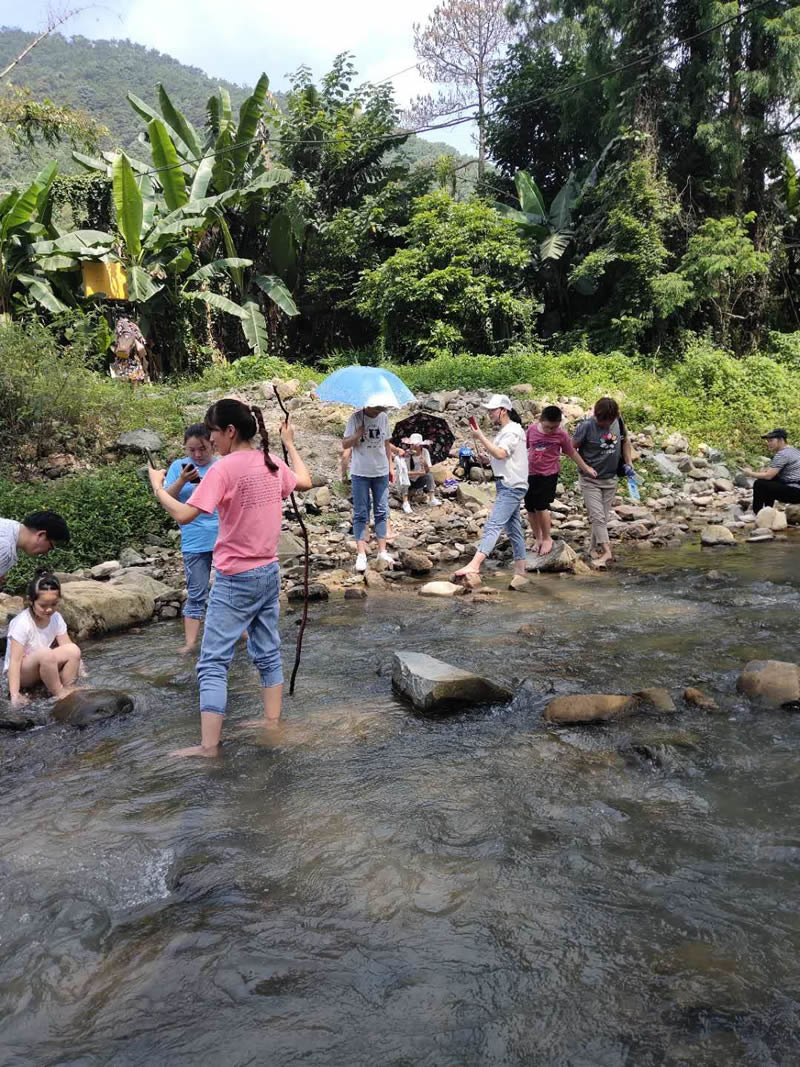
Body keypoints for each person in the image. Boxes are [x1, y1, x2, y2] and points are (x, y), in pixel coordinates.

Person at [148, 399, 312, 758]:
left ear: (231, 431)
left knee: (212, 663)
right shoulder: (271, 461)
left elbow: (184, 515)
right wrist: (290, 444)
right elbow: (305, 481)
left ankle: (209, 747)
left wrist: (158, 488)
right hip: (268, 572)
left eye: (214, 433)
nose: (211, 441)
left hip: (235, 577)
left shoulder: (223, 469)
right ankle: (272, 723)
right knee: (267, 652)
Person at [453, 394, 529, 582]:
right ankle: (521, 570)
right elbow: (501, 457)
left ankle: (475, 565)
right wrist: (488, 459)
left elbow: (501, 453)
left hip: (511, 484)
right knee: (513, 528)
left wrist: (480, 436)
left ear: (503, 411)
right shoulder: (508, 430)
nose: (489, 413)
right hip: (509, 483)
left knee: (493, 525)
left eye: (492, 410)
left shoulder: (512, 431)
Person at [164, 424, 220, 654]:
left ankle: (242, 633)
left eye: (202, 448)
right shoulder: (178, 467)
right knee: (196, 592)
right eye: (192, 449)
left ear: (212, 445)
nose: (197, 454)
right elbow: (166, 499)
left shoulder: (221, 466)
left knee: (231, 589)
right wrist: (181, 481)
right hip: (194, 539)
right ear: (185, 448)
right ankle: (190, 643)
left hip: (224, 537)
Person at [525, 405, 597, 556]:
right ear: (541, 420)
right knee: (530, 508)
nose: (551, 430)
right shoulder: (531, 430)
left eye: (554, 427)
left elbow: (571, 452)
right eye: (548, 427)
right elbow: (521, 448)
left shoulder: (561, 434)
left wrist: (586, 468)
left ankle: (547, 538)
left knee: (541, 506)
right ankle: (538, 538)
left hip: (549, 474)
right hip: (530, 473)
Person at [5, 571, 82, 706]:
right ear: (30, 601)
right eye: (43, 605)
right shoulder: (21, 623)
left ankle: (68, 686)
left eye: (54, 604)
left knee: (73, 649)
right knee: (45, 653)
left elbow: (66, 645)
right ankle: (59, 692)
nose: (49, 610)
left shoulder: (56, 617)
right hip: (23, 673)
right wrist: (15, 694)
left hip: (44, 664)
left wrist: (80, 667)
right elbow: (15, 662)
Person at [573, 397, 633, 569]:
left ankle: (593, 549)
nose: (606, 424)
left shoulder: (618, 421)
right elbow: (571, 448)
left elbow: (625, 441)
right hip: (590, 480)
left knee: (602, 518)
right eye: (602, 421)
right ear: (596, 415)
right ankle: (607, 552)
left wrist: (629, 463)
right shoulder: (586, 426)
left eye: (609, 421)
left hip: (610, 478)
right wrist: (585, 467)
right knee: (597, 516)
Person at [342, 405, 395, 572]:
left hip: (381, 471)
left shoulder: (383, 417)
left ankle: (382, 551)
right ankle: (361, 554)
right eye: (377, 407)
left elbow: (386, 444)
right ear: (368, 404)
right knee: (360, 512)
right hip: (360, 472)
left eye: (382, 407)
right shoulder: (355, 418)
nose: (380, 409)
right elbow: (345, 444)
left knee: (382, 511)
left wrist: (391, 467)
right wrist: (357, 434)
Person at [0, 511, 70, 587]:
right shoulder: (5, 547)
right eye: (50, 548)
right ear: (41, 535)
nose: (46, 553)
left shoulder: (9, 525)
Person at [745, 428, 800, 513]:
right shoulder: (794, 451)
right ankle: (768, 510)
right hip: (796, 488)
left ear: (781, 440)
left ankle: (758, 513)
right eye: (768, 441)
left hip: (795, 492)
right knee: (769, 482)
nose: (768, 443)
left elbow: (768, 476)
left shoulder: (782, 454)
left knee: (759, 484)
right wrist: (765, 472)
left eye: (771, 440)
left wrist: (750, 473)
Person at [398, 433, 442, 513]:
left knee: (429, 475)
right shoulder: (406, 454)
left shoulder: (424, 452)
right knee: (404, 479)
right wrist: (418, 473)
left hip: (418, 480)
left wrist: (424, 463)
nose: (413, 447)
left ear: (420, 446)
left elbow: (428, 470)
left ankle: (432, 498)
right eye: (412, 445)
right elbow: (404, 473)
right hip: (408, 480)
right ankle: (405, 502)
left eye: (416, 445)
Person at [111, 317, 149, 385]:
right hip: (133, 353)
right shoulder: (133, 325)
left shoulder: (119, 324)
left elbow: (117, 336)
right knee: (135, 369)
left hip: (123, 351)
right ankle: (134, 388)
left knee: (122, 368)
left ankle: (122, 386)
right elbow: (140, 338)